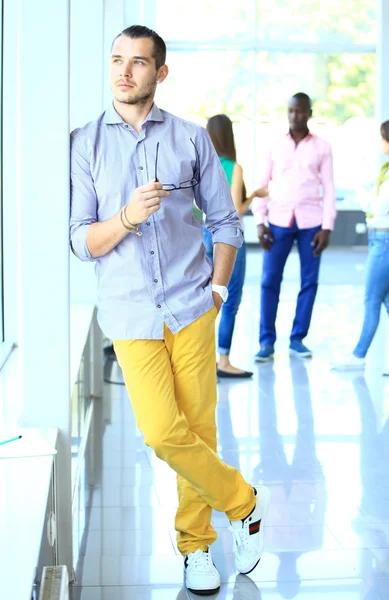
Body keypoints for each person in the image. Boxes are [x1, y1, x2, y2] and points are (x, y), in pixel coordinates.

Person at [70, 25, 270, 597]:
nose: (124, 71)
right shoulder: (85, 143)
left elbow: (226, 222)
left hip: (191, 305)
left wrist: (219, 292)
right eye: (116, 60)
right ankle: (243, 501)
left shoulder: (190, 138)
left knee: (199, 428)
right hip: (130, 313)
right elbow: (82, 241)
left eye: (138, 62)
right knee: (163, 432)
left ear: (160, 72)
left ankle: (196, 548)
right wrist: (129, 217)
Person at [251, 93, 336, 362]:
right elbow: (262, 186)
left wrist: (328, 226)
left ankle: (298, 339)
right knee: (269, 282)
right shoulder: (275, 145)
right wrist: (259, 221)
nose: (294, 116)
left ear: (309, 112)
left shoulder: (322, 147)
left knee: (309, 282)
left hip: (312, 224)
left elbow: (329, 188)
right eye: (290, 111)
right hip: (278, 222)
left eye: (299, 111)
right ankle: (266, 342)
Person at [202, 114, 266, 378]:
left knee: (204, 299)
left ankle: (201, 359)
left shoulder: (201, 164)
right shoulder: (233, 167)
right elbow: (235, 209)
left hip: (203, 234)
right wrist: (253, 195)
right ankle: (224, 361)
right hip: (228, 239)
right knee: (229, 298)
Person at [331, 121, 389, 371]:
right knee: (385, 299)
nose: (380, 143)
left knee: (371, 299)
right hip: (381, 238)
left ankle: (358, 356)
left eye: (382, 138)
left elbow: (379, 207)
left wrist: (363, 196)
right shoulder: (385, 170)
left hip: (384, 241)